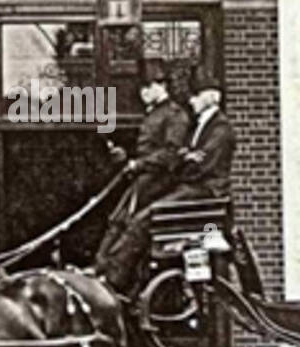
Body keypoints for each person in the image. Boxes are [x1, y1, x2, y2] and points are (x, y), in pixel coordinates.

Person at [95, 71, 236, 295]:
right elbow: (185, 157)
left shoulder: (220, 129)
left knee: (145, 218)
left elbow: (199, 165)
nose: (191, 101)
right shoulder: (201, 125)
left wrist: (184, 160)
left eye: (195, 96)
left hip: (204, 191)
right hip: (192, 187)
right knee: (124, 218)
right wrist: (186, 157)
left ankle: (114, 280)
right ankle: (104, 268)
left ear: (210, 96)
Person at [94, 63, 190, 271]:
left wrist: (139, 164)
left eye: (148, 86)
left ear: (162, 86)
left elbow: (171, 154)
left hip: (160, 180)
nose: (143, 92)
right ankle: (100, 266)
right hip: (145, 178)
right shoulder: (154, 114)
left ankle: (114, 274)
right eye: (141, 88)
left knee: (131, 224)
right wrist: (127, 157)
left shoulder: (175, 115)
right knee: (116, 220)